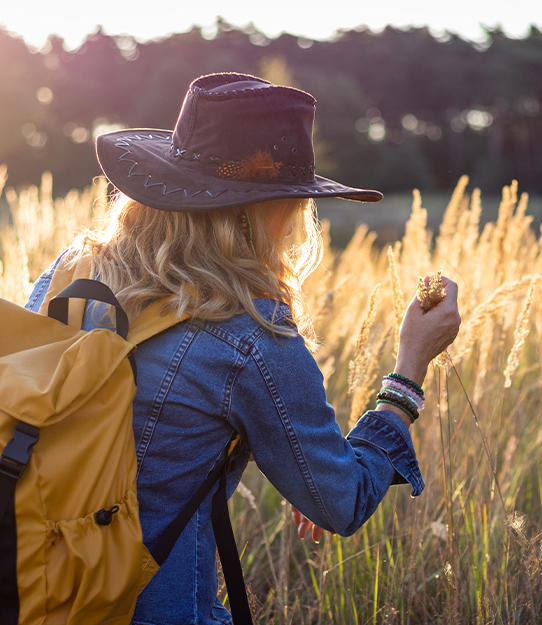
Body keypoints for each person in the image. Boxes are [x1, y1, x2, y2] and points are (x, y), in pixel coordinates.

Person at [24, 73, 460, 625]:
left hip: (31, 585)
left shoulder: (70, 269)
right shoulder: (252, 333)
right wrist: (407, 374)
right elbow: (341, 502)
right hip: (152, 607)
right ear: (271, 209)